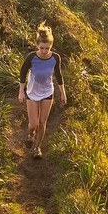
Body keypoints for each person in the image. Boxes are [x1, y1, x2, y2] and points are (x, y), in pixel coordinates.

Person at [18, 21, 67, 159]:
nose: (45, 51)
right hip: (32, 92)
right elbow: (22, 73)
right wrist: (21, 92)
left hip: (47, 92)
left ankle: (37, 148)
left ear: (51, 46)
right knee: (33, 124)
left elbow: (58, 75)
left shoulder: (55, 58)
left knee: (41, 123)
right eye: (42, 48)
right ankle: (30, 134)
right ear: (37, 46)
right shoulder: (31, 57)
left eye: (47, 48)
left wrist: (63, 93)